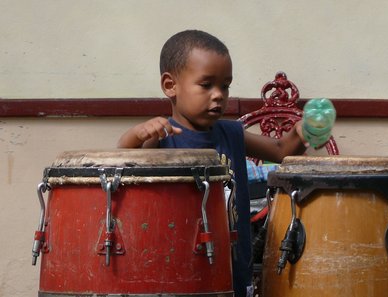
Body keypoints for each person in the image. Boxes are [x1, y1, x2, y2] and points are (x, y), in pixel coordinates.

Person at [117, 29, 308, 297]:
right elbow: (124, 161)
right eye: (206, 85)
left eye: (225, 85)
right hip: (179, 273)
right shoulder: (161, 137)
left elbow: (280, 150)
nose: (218, 94)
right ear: (170, 85)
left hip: (233, 268)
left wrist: (302, 131)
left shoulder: (231, 133)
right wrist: (136, 134)